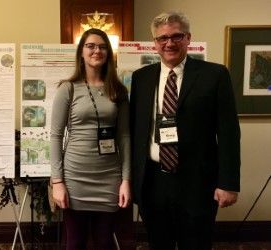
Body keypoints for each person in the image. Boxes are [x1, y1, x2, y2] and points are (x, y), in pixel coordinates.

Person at [130, 11, 240, 250]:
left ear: (188, 38)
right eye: (162, 38)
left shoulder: (215, 75)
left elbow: (229, 132)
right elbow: (136, 131)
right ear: (155, 44)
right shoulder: (141, 78)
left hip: (197, 182)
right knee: (159, 244)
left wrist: (229, 182)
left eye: (176, 36)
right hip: (153, 181)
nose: (169, 43)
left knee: (197, 244)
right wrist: (130, 179)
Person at [50, 28, 131, 250]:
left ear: (109, 53)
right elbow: (56, 136)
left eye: (103, 47)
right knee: (75, 242)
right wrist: (57, 182)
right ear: (81, 53)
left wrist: (126, 180)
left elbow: (124, 137)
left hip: (109, 177)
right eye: (91, 46)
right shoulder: (67, 89)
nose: (97, 51)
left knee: (104, 242)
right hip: (75, 177)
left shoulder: (118, 90)